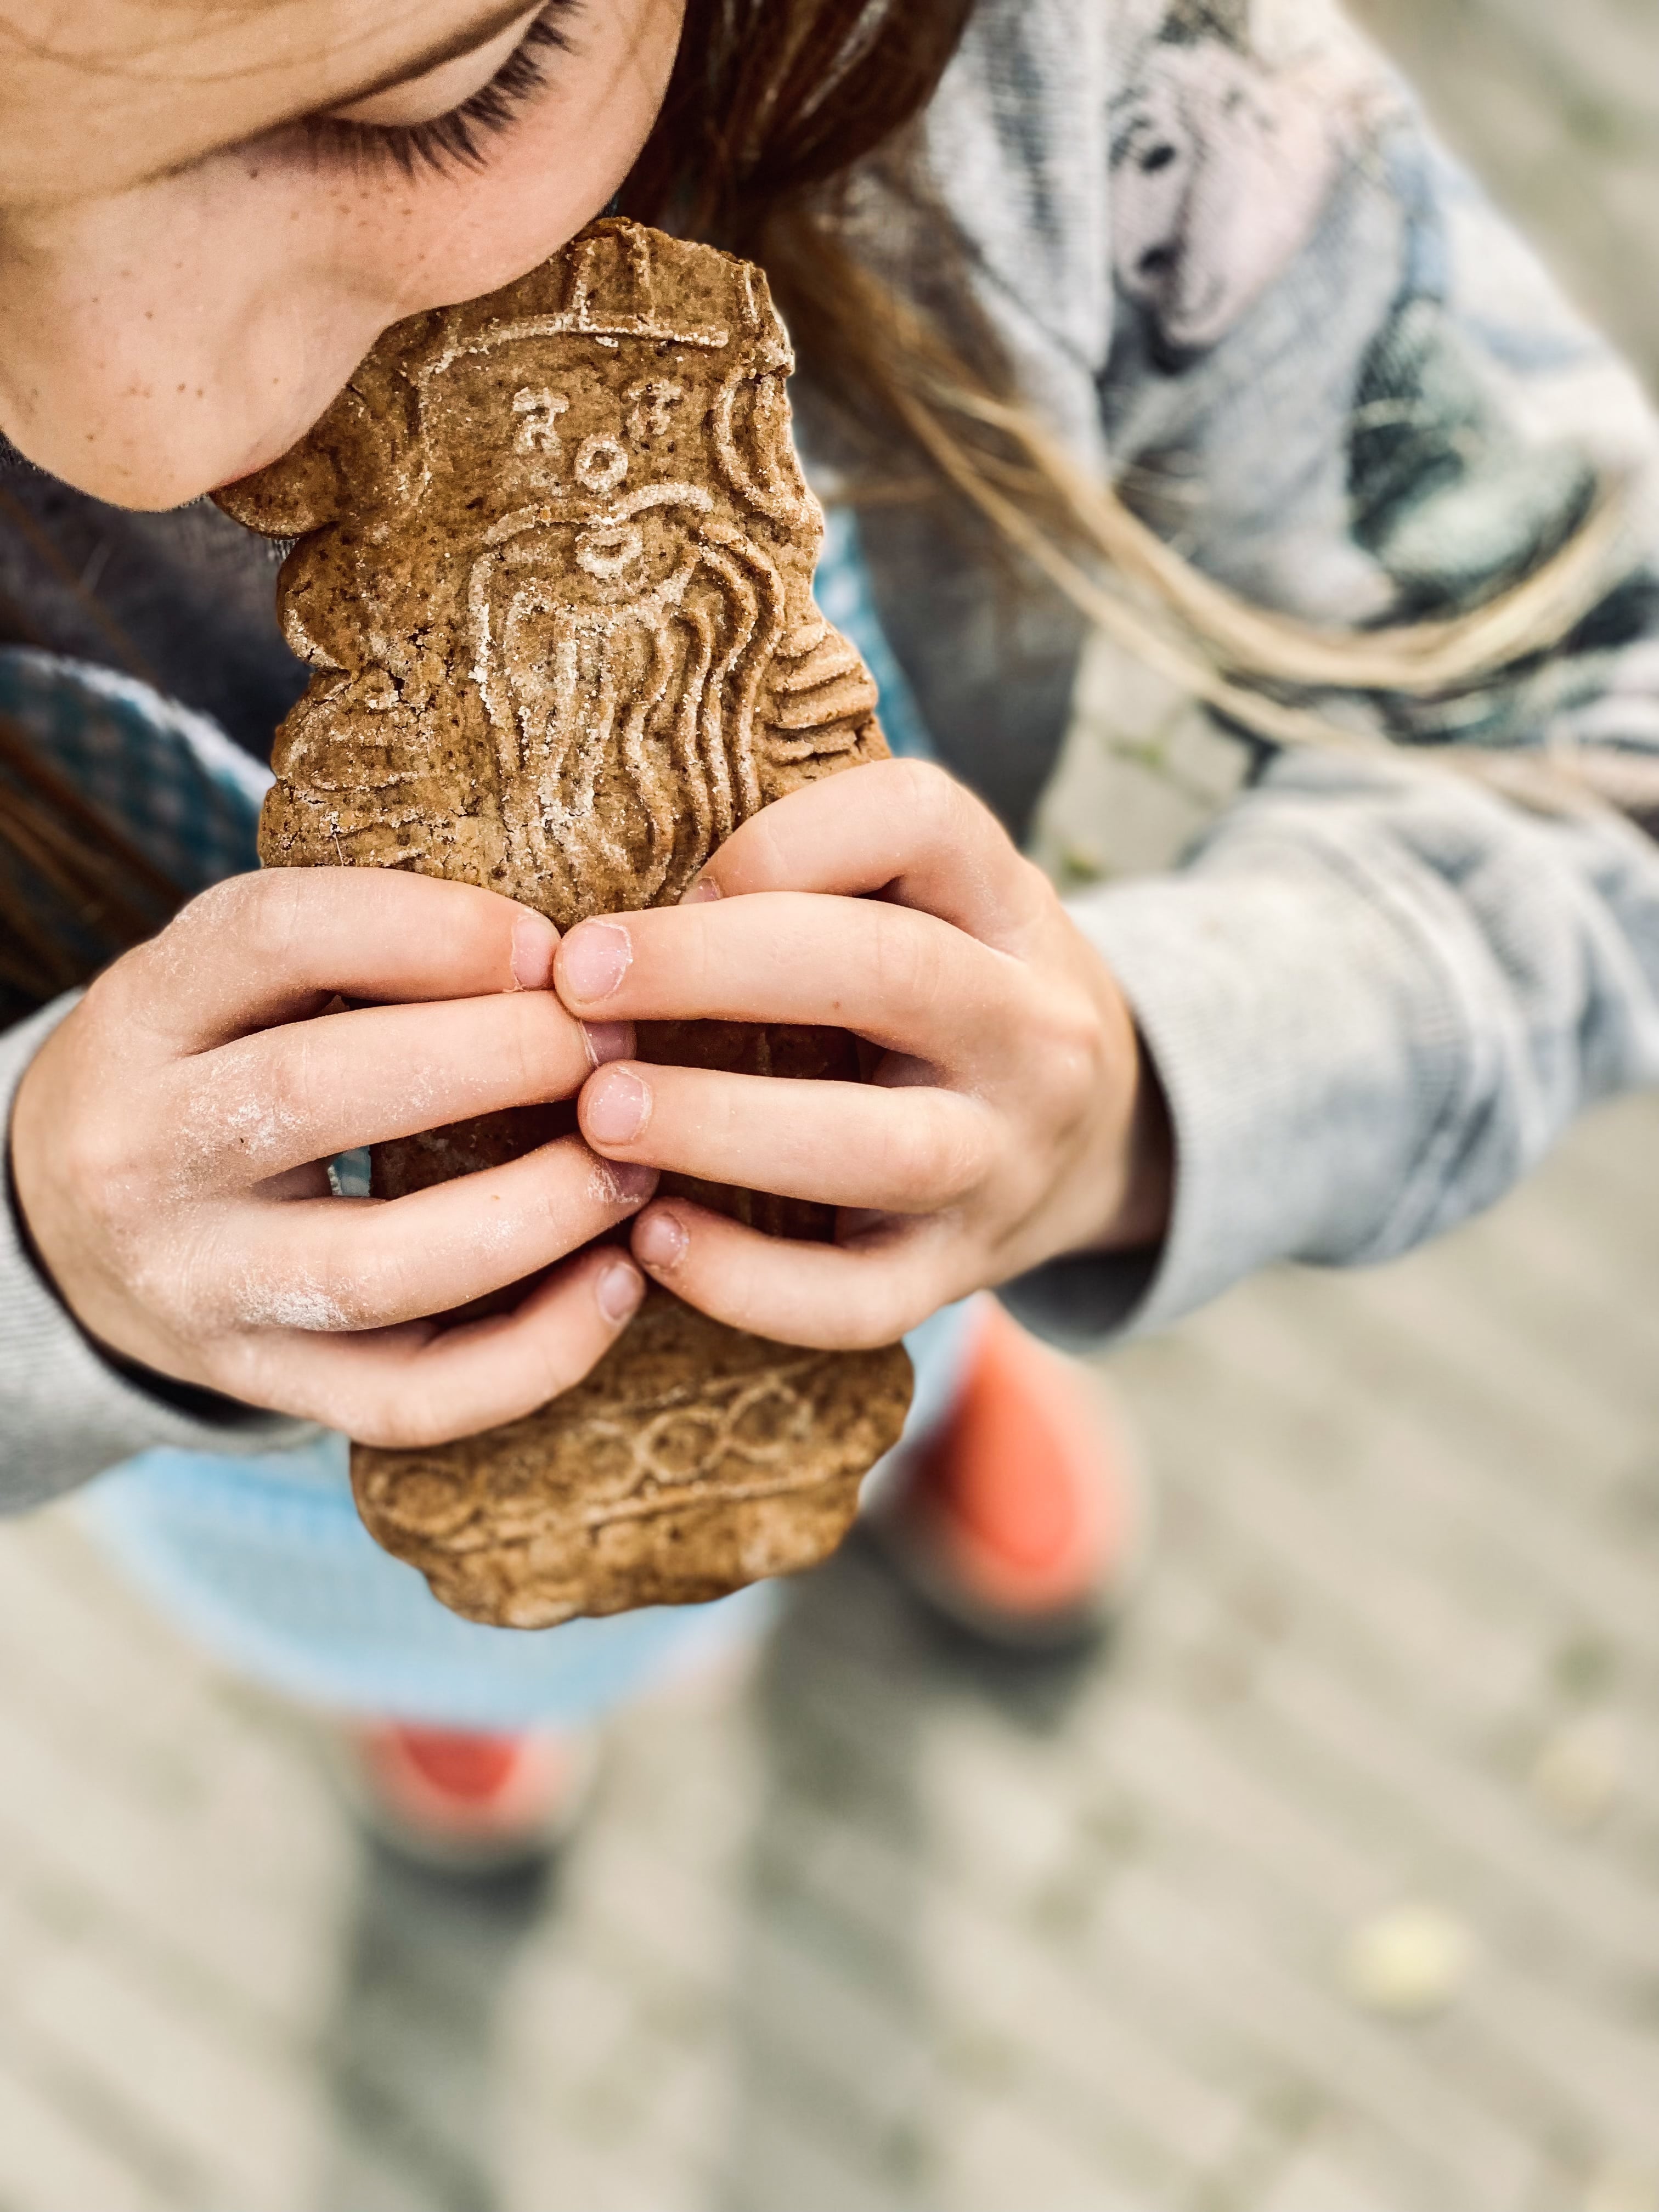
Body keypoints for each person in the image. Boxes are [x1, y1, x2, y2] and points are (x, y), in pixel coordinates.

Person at [1, 0, 1656, 1866]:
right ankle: (451, 1693)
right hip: (249, 1495)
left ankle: (955, 1376)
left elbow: (1610, 726)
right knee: (454, 1630)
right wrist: (48, 1275)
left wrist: (1125, 1111)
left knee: (886, 1258)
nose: (147, 429)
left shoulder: (1069, 84)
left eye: (438, 106)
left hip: (916, 1250)